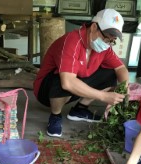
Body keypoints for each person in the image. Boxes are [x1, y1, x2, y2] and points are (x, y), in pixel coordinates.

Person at [34, 8, 129, 137]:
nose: (108, 43)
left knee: (110, 73)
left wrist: (126, 87)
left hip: (76, 81)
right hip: (47, 89)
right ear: (94, 27)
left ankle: (79, 110)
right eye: (107, 38)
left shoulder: (104, 48)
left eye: (112, 41)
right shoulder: (72, 41)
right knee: (64, 79)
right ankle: (55, 116)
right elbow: (67, 83)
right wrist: (103, 96)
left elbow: (120, 68)